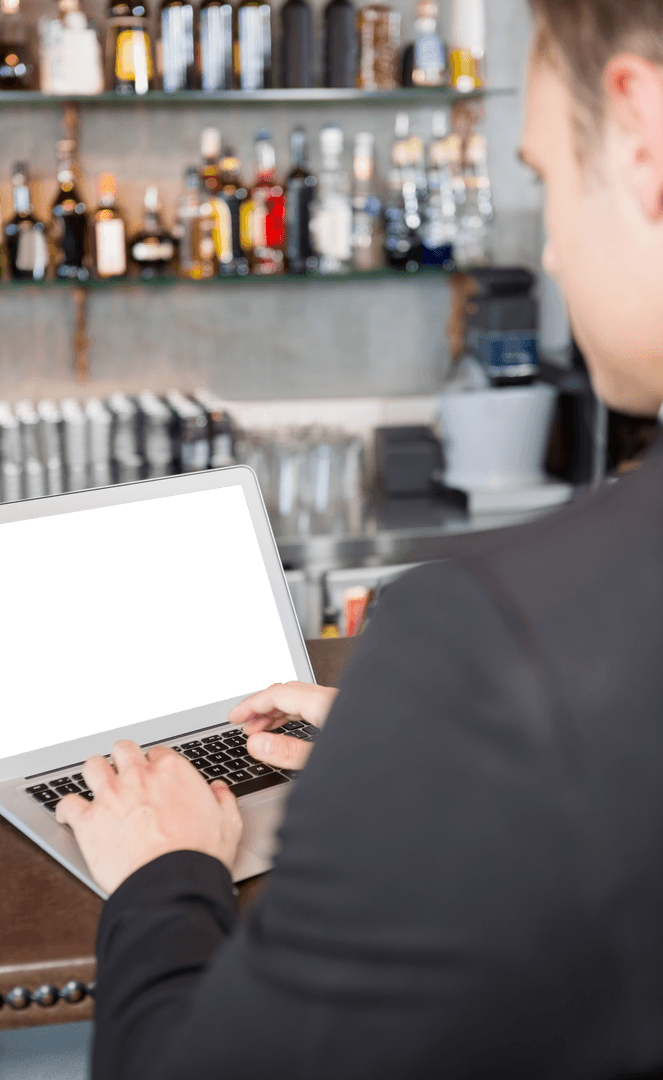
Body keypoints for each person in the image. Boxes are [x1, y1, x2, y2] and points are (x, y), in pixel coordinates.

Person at [57, 2, 663, 1075]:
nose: (556, 249)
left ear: (643, 135)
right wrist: (425, 756)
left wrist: (163, 870)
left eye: (546, 182)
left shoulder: (483, 643)